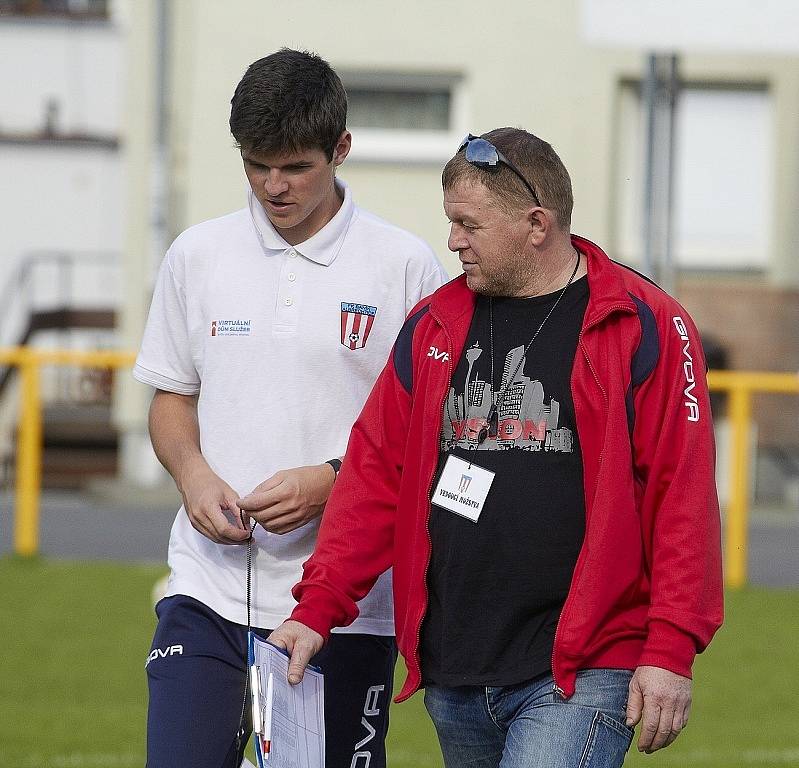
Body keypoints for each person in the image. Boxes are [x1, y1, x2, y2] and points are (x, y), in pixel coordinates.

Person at [270, 128, 724, 768]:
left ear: (535, 223)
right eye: (450, 221)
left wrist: (671, 646)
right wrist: (318, 607)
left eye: (468, 224)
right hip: (457, 669)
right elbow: (374, 476)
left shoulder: (642, 321)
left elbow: (684, 495)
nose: (452, 240)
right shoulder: (433, 323)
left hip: (584, 668)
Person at [133, 48, 448, 768]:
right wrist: (194, 477)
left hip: (347, 606)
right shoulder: (197, 254)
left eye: (295, 167)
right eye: (255, 164)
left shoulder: (403, 266)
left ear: (340, 150)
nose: (273, 186)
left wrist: (334, 481)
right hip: (206, 591)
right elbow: (171, 398)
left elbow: (428, 436)